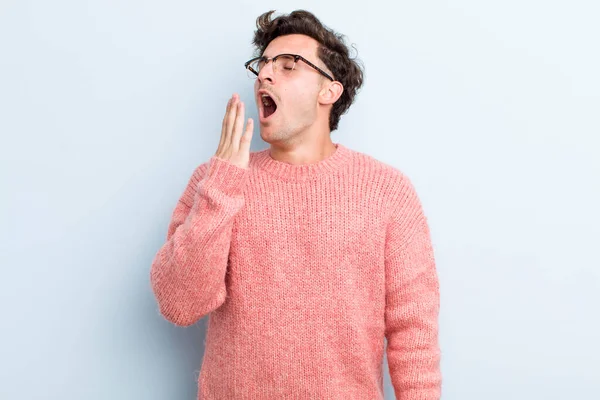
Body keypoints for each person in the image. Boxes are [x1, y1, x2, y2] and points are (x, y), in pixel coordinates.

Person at [150, 9, 441, 400]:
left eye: (288, 66)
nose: (265, 75)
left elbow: (414, 334)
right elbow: (180, 304)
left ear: (329, 91)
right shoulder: (214, 182)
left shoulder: (387, 191)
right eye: (263, 65)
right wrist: (220, 188)